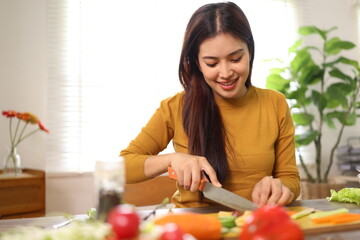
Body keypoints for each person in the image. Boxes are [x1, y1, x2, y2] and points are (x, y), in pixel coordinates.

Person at [121, 1, 300, 208]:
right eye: (212, 63)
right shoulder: (175, 107)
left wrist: (280, 187)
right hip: (192, 228)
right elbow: (123, 167)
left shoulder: (275, 103)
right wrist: (171, 160)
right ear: (197, 62)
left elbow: (290, 178)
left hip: (254, 224)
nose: (225, 73)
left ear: (250, 51)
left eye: (235, 59)